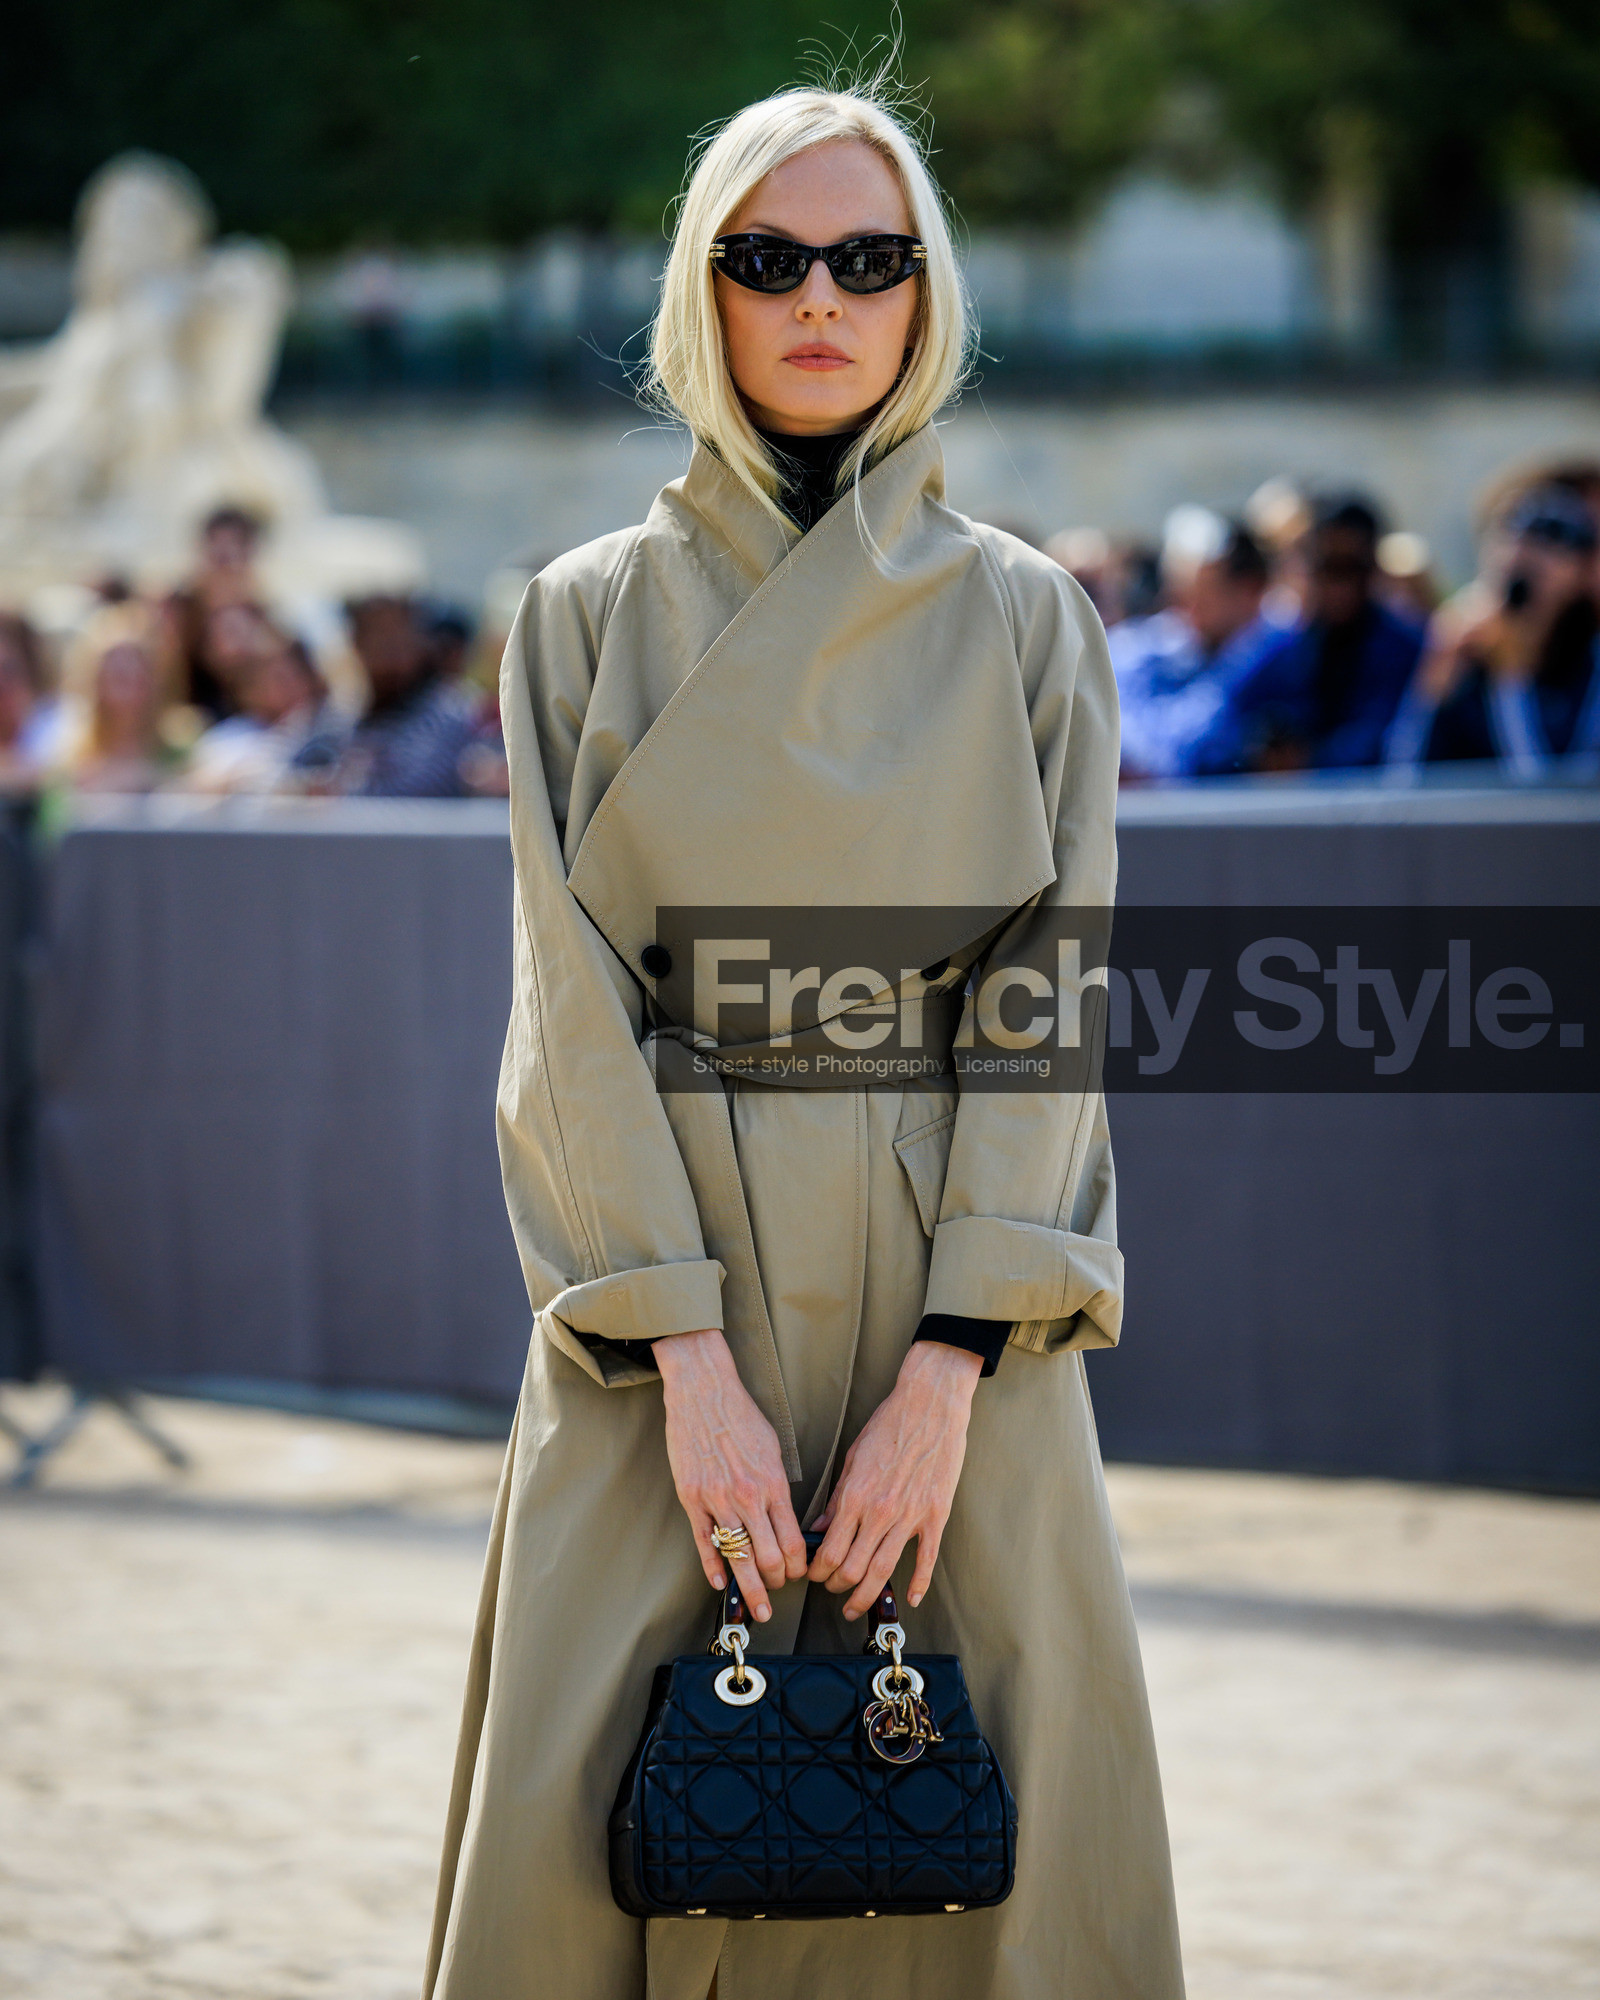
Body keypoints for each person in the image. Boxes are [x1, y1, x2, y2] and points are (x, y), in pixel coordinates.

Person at [423, 84, 1182, 2000]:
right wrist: (680, 1355)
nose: (821, 299)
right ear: (705, 294)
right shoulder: (584, 618)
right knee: (599, 1838)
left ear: (929, 294)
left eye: (870, 257)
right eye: (768, 261)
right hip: (658, 1302)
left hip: (958, 1302)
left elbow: (1048, 995)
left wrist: (952, 1371)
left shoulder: (1031, 620)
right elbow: (565, 1002)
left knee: (990, 1841)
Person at [1391, 484, 1600, 772]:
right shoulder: (1464, 655)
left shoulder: (1590, 668)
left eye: (1553, 545)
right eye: (1510, 536)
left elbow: (1554, 795)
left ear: (1582, 572)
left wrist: (1511, 681)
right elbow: (1406, 776)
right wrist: (1432, 687)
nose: (1524, 554)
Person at [1219, 494, 1423, 771]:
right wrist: (1253, 749)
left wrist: (1308, 762)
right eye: (1326, 568)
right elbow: (1214, 726)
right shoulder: (1278, 649)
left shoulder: (1408, 651)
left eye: (1351, 569)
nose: (1339, 586)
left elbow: (1395, 745)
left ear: (1373, 569)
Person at [1110, 508, 1277, 779]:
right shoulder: (1138, 651)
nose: (1187, 610)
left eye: (1204, 595)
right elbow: (1146, 753)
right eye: (1182, 594)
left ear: (1249, 590)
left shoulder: (1279, 650)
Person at [337, 594, 481, 796]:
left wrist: (338, 793)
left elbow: (422, 787)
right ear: (356, 643)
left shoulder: (449, 709)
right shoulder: (348, 711)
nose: (391, 648)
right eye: (377, 634)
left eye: (399, 633)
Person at [181, 627, 348, 793]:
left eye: (294, 675)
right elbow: (197, 788)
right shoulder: (228, 737)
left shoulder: (337, 731)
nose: (288, 687)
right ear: (249, 691)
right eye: (278, 679)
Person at [165, 505, 269, 719]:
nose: (226, 558)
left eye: (235, 546)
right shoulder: (174, 611)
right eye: (217, 546)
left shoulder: (266, 619)